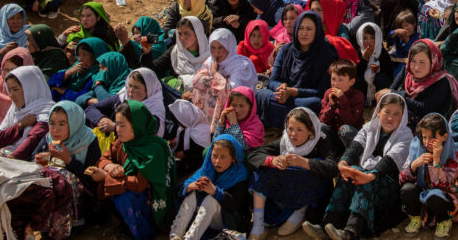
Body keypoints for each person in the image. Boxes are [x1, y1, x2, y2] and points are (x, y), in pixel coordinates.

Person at [318, 93, 412, 240]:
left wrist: (370, 175)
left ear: (403, 116)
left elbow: (389, 161)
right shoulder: (370, 127)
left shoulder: (405, 136)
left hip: (389, 183)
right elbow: (356, 146)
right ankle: (327, 224)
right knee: (350, 173)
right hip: (367, 174)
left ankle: (351, 233)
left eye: (397, 114)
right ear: (378, 111)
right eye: (387, 112)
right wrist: (343, 163)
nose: (390, 118)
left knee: (364, 180)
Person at [87, 100, 176, 240]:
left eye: (122, 125)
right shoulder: (124, 142)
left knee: (123, 196)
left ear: (137, 125)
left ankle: (144, 232)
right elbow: (104, 158)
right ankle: (125, 226)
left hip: (151, 203)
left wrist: (106, 176)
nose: (117, 129)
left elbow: (139, 184)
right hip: (133, 193)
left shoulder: (153, 149)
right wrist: (110, 167)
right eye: (116, 124)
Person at [249, 107, 338, 238]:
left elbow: (333, 167)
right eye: (290, 128)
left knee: (310, 169)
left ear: (311, 131)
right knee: (261, 171)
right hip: (287, 194)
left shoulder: (321, 141)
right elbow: (254, 155)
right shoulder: (285, 142)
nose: (293, 134)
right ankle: (258, 224)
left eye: (299, 129)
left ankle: (298, 215)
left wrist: (305, 162)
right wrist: (272, 160)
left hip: (312, 199)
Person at [170, 134, 250, 240]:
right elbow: (180, 190)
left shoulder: (240, 175)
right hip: (205, 219)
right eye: (214, 156)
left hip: (229, 220)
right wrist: (190, 186)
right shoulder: (206, 170)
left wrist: (215, 191)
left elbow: (235, 205)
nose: (217, 161)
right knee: (192, 194)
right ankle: (175, 235)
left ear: (233, 158)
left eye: (223, 157)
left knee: (210, 199)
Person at [399, 112, 458, 238]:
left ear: (444, 137)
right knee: (407, 189)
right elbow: (401, 178)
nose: (427, 142)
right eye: (424, 137)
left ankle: (444, 221)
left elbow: (444, 185)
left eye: (432, 137)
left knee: (434, 194)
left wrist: (437, 160)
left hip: (442, 196)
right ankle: (416, 218)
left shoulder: (452, 154)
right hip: (422, 194)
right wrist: (414, 165)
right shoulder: (417, 148)